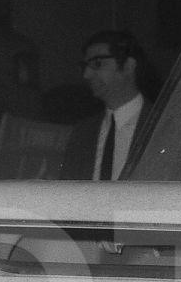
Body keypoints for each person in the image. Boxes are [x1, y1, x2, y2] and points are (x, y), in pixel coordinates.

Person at [60, 30, 155, 180]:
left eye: (97, 64)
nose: (86, 74)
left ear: (129, 66)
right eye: (85, 66)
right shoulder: (82, 133)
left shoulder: (161, 125)